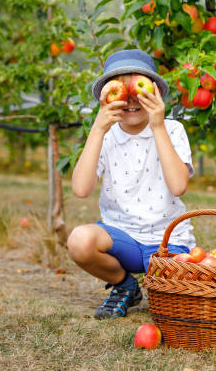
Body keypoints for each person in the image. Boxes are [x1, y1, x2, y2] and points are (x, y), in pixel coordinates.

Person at [67, 49, 195, 319]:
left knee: (179, 304)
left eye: (139, 90)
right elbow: (80, 189)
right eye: (121, 91)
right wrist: (98, 129)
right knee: (80, 240)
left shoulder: (172, 130)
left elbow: (178, 186)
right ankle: (124, 285)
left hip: (167, 243)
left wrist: (158, 126)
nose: (130, 99)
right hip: (120, 238)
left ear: (156, 94)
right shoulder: (106, 135)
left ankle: (159, 285)